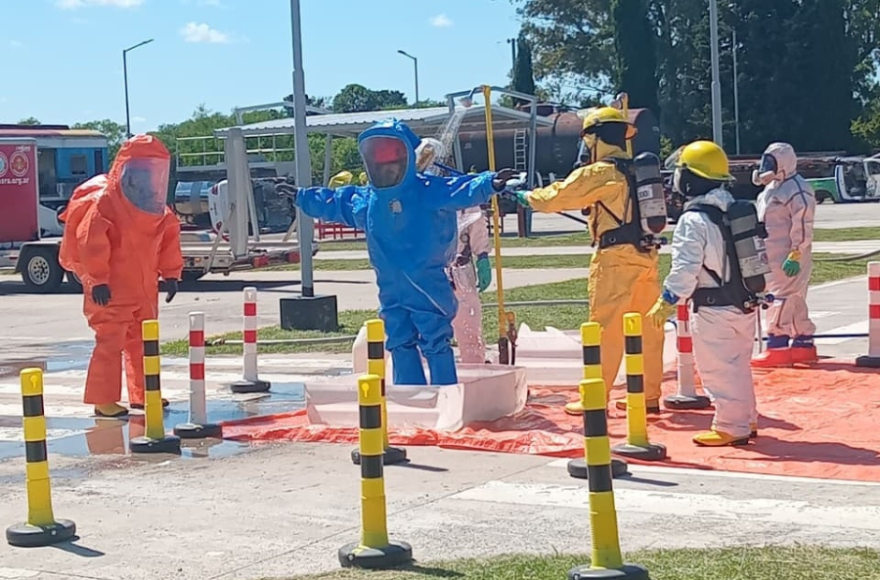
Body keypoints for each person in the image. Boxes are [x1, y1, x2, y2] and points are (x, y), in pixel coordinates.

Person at [286, 119, 513, 385]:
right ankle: (410, 400)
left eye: (392, 161)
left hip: (426, 283)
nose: (386, 168)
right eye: (380, 162)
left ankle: (444, 398)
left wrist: (491, 183)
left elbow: (461, 189)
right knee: (399, 340)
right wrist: (302, 196)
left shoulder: (425, 191)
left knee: (434, 340)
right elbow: (336, 202)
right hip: (391, 287)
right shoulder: (369, 199)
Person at [511, 106, 664, 415]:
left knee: (604, 330)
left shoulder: (600, 172)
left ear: (593, 139)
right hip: (646, 256)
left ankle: (596, 395)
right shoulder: (635, 170)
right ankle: (648, 395)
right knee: (648, 329)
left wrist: (526, 197)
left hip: (614, 260)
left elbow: (559, 196)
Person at [59, 135, 182, 418]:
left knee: (144, 343)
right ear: (127, 169)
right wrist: (98, 280)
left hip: (143, 289)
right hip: (112, 289)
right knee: (110, 343)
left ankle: (144, 394)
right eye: (141, 170)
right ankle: (103, 400)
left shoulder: (155, 206)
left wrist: (171, 274)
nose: (146, 176)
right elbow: (90, 242)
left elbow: (168, 239)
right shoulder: (105, 203)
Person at [647, 140, 758, 447]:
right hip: (745, 303)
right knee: (738, 365)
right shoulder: (734, 209)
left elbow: (686, 268)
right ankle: (747, 418)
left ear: (691, 178)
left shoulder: (693, 219)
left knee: (719, 369)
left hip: (713, 307)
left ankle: (730, 426)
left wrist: (667, 299)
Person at [414, 137, 494, 364]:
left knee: (469, 329)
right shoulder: (413, 196)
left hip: (459, 272)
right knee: (426, 331)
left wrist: (483, 257)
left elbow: (476, 226)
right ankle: (426, 379)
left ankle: (475, 372)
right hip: (426, 273)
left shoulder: (459, 192)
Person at [750, 142, 817, 367]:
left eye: (770, 163)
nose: (765, 167)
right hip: (770, 254)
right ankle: (803, 343)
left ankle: (777, 346)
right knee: (793, 299)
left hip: (789, 255)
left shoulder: (797, 189)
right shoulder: (771, 189)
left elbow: (804, 222)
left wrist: (797, 252)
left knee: (781, 297)